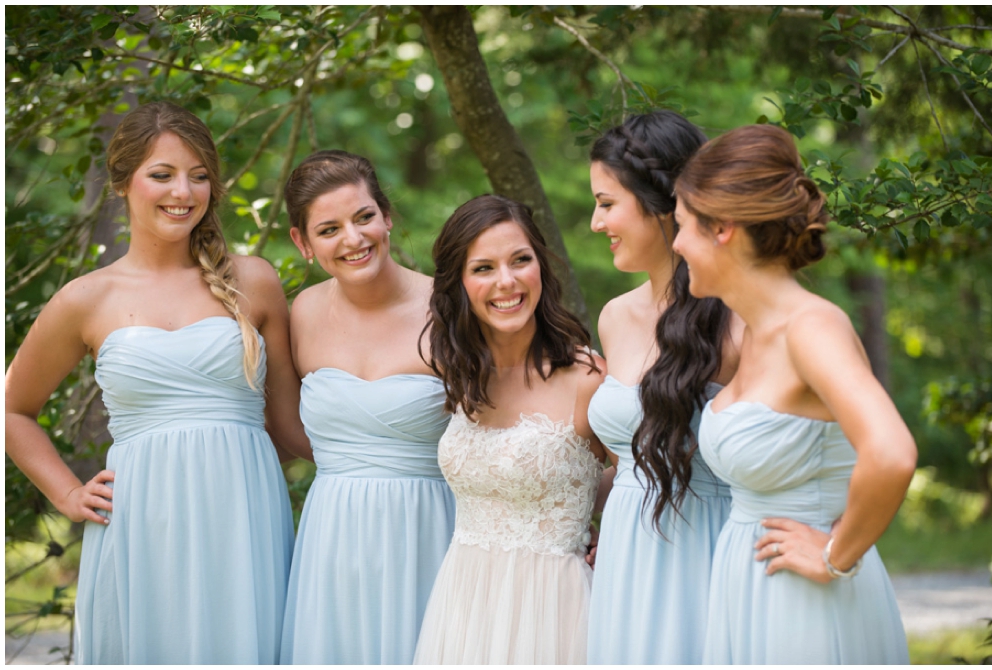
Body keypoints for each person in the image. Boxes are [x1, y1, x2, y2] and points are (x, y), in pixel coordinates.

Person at [4, 101, 302, 664]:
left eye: (198, 176)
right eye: (161, 175)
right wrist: (67, 493)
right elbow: (11, 409)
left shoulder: (255, 281)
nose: (182, 192)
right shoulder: (87, 298)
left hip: (243, 519)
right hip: (138, 524)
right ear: (123, 183)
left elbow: (289, 425)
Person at [671, 124, 915, 663]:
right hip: (746, 587)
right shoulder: (753, 330)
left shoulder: (811, 328)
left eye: (682, 225)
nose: (676, 243)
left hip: (806, 600)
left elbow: (892, 452)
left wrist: (836, 554)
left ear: (723, 230)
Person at [412, 194, 605, 664]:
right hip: (463, 601)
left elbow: (636, 476)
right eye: (483, 268)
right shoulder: (458, 373)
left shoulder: (587, 377)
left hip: (553, 611)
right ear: (458, 282)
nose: (507, 282)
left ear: (541, 266)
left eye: (521, 260)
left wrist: (606, 533)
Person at [279, 150, 455, 664]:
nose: (353, 240)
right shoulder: (303, 311)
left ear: (386, 216)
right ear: (302, 242)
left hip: (432, 529)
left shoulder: (450, 308)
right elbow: (286, 425)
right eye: (328, 229)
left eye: (364, 218)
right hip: (331, 534)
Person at [585, 110, 742, 663]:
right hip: (625, 552)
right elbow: (628, 458)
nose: (595, 223)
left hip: (704, 551)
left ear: (661, 202)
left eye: (606, 204)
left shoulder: (738, 322)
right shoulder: (613, 317)